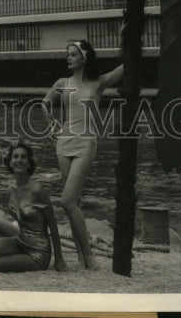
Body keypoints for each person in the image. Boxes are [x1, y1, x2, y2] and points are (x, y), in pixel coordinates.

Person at [41, 38, 123, 269]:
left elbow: (128, 65)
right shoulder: (62, 82)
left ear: (85, 57)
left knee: (67, 200)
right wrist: (51, 125)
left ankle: (89, 256)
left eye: (74, 54)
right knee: (73, 202)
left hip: (86, 143)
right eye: (68, 54)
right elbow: (44, 103)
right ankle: (80, 257)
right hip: (63, 142)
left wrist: (126, 37)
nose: (69, 57)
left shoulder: (98, 83)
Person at [0, 141, 66, 273]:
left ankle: (16, 261)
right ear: (10, 162)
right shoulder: (10, 190)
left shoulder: (37, 190)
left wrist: (59, 259)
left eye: (23, 157)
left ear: (28, 163)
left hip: (38, 252)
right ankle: (13, 259)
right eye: (15, 157)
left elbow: (53, 225)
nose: (19, 160)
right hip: (20, 241)